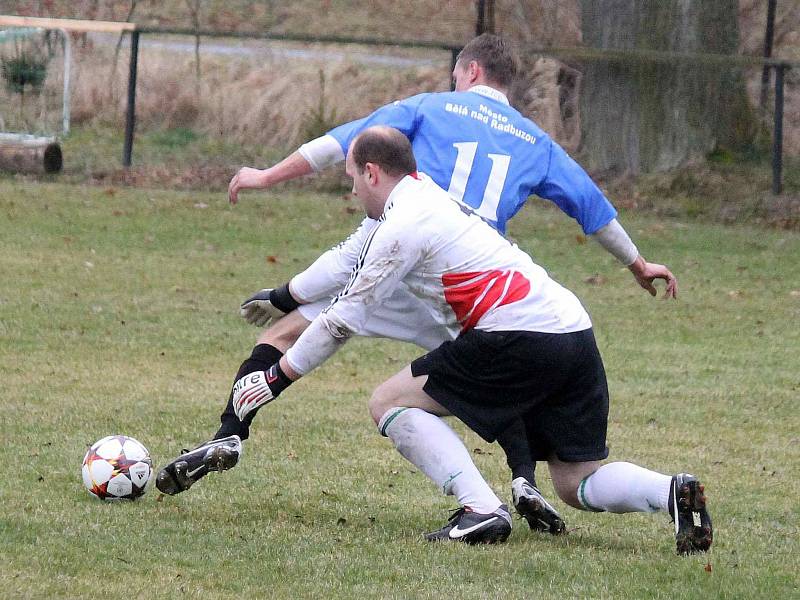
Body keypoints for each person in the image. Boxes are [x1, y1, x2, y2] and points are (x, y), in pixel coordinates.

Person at [156, 35, 677, 536]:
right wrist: (637, 263)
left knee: (309, 346)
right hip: (496, 286)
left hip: (431, 275)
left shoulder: (428, 111)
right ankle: (524, 478)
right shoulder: (534, 140)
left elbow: (344, 145)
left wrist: (268, 176)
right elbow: (590, 205)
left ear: (469, 71)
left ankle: (230, 432)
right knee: (492, 379)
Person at [220, 127, 711, 550]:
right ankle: (671, 491)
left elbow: (342, 319)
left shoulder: (403, 226)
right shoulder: (424, 195)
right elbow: (346, 259)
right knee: (575, 480)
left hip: (517, 335)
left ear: (372, 173)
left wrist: (278, 376)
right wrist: (285, 296)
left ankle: (480, 508)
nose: (351, 192)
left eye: (351, 179)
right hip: (572, 330)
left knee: (389, 402)